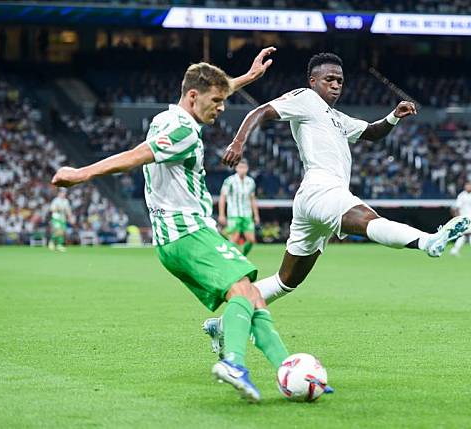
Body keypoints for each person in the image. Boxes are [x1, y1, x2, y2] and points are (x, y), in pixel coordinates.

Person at [51, 47, 296, 403]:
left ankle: (287, 368)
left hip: (178, 238)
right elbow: (135, 157)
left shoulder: (167, 119)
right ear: (193, 97)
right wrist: (81, 173)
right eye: (217, 100)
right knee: (244, 291)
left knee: (252, 295)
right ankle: (233, 362)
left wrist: (246, 78)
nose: (223, 107)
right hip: (188, 232)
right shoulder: (182, 132)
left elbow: (205, 93)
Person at [219, 52, 469, 307]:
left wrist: (394, 116)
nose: (336, 85)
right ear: (312, 81)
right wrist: (238, 142)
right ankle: (427, 241)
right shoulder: (304, 98)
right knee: (369, 219)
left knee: (287, 280)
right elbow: (261, 111)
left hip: (318, 198)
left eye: (340, 80)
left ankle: (225, 321)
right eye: (329, 79)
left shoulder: (338, 119)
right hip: (320, 187)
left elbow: (371, 132)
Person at [218, 159, 260, 256]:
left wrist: (256, 215)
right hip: (234, 214)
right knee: (234, 238)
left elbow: (252, 199)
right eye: (240, 167)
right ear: (236, 168)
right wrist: (221, 214)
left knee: (251, 240)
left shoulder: (250, 182)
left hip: (247, 214)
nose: (242, 169)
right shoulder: (229, 181)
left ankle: (243, 256)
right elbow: (222, 197)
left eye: (244, 167)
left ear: (247, 168)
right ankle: (230, 258)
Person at [450, 181, 471, 258]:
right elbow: (457, 208)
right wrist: (459, 218)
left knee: (463, 236)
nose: (469, 187)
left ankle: (454, 250)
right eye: (467, 186)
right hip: (465, 219)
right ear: (464, 187)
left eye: (470, 186)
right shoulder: (461, 196)